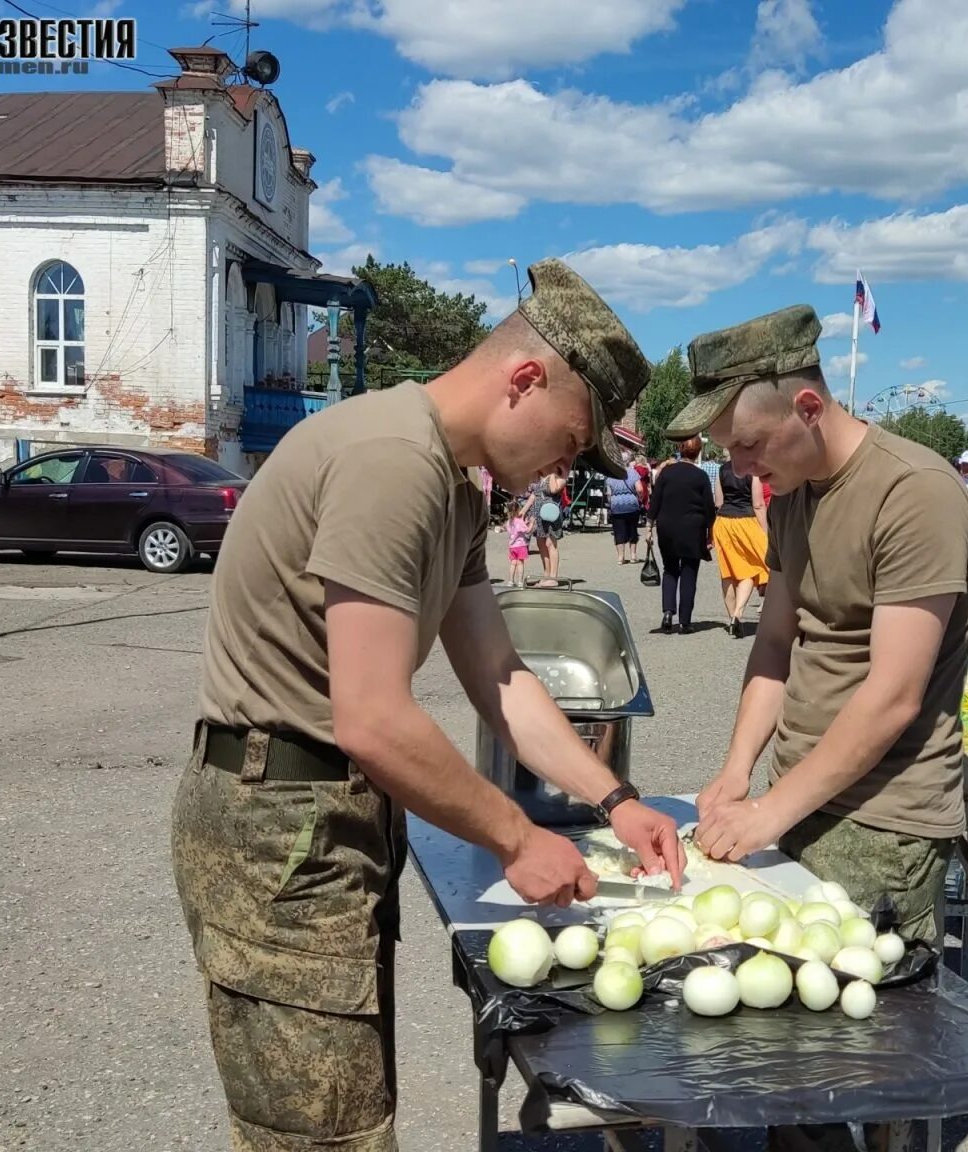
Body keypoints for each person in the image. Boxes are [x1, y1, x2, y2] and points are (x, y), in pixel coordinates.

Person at [176, 258, 687, 1152]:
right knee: (322, 1136)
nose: (569, 466)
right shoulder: (393, 462)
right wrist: (517, 838)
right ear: (523, 379)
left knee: (347, 1110)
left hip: (329, 817)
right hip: (279, 823)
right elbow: (372, 716)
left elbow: (499, 676)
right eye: (573, 439)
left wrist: (614, 799)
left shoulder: (452, 483)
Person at [669, 306, 968, 1151]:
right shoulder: (795, 495)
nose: (740, 465)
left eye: (749, 443)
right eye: (732, 450)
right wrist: (738, 774)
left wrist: (767, 814)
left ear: (809, 405)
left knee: (878, 1067)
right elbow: (776, 642)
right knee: (788, 1067)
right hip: (803, 800)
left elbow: (893, 694)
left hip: (886, 819)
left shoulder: (914, 494)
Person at [650, 436, 716, 634]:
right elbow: (708, 508)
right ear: (697, 453)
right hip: (692, 528)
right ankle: (685, 621)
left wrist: (649, 526)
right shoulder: (701, 476)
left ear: (680, 449)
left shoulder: (667, 473)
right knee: (689, 572)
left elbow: (655, 500)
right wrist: (710, 532)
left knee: (670, 569)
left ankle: (668, 612)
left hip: (667, 526)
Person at [712, 459, 770, 639]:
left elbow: (718, 502)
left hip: (723, 522)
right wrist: (765, 532)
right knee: (751, 569)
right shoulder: (754, 471)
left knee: (727, 572)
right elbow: (758, 504)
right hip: (747, 521)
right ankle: (738, 613)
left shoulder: (722, 470)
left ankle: (731, 618)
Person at [602, 453, 645, 564]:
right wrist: (639, 498)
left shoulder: (611, 474)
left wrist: (611, 502)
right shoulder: (633, 472)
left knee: (619, 531)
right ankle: (633, 556)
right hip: (631, 504)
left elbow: (608, 493)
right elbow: (640, 489)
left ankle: (621, 557)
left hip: (616, 505)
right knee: (632, 530)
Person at [527, 471, 566, 586]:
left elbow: (553, 490)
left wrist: (552, 474)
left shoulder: (561, 477)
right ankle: (546, 575)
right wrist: (524, 510)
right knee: (541, 544)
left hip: (551, 515)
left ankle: (553, 577)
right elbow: (534, 494)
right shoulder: (540, 475)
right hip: (539, 514)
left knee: (550, 544)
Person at [505, 496, 531, 587]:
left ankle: (511, 581)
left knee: (513, 563)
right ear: (517, 510)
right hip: (521, 545)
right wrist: (531, 523)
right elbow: (527, 531)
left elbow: (512, 530)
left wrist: (524, 522)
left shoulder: (509, 522)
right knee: (520, 563)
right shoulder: (519, 522)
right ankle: (520, 581)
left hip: (512, 546)